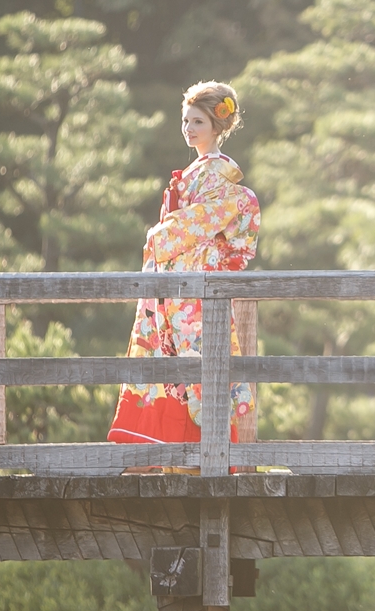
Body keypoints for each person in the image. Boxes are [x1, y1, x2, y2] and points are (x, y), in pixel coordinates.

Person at [107, 81, 260, 461]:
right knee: (173, 355)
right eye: (186, 121)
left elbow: (223, 214)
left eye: (198, 122)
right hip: (180, 279)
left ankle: (198, 457)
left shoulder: (221, 174)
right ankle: (168, 455)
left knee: (196, 359)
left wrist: (162, 233)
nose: (189, 129)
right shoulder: (196, 170)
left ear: (217, 126)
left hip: (196, 282)